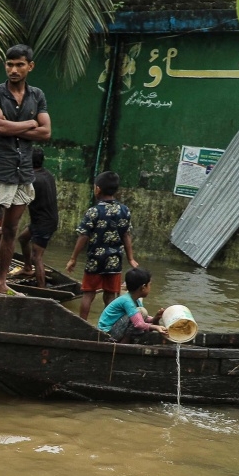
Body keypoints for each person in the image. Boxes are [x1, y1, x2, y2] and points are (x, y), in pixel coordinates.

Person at [0, 44, 51, 294]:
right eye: (10, 64)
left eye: (19, 65)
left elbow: (46, 132)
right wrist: (31, 123)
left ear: (30, 66)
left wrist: (14, 127)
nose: (13, 69)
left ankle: (1, 282)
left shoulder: (37, 95)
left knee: (10, 229)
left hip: (23, 172)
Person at [66, 171, 136, 321]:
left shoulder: (94, 211)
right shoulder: (124, 210)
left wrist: (73, 258)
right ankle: (107, 326)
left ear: (97, 189)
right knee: (110, 295)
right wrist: (131, 258)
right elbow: (126, 235)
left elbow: (83, 236)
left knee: (88, 293)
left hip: (95, 260)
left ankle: (82, 323)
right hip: (114, 261)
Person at [16, 147, 58, 288]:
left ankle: (41, 288)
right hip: (43, 220)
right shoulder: (47, 174)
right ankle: (28, 268)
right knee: (23, 239)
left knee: (37, 256)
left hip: (43, 222)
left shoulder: (33, 180)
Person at [98, 267, 167, 343]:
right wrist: (155, 327)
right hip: (107, 334)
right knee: (142, 311)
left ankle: (126, 342)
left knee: (142, 313)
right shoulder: (127, 301)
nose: (150, 288)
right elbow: (139, 324)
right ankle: (123, 344)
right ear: (143, 287)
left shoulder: (136, 300)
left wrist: (156, 318)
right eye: (149, 285)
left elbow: (140, 318)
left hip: (115, 330)